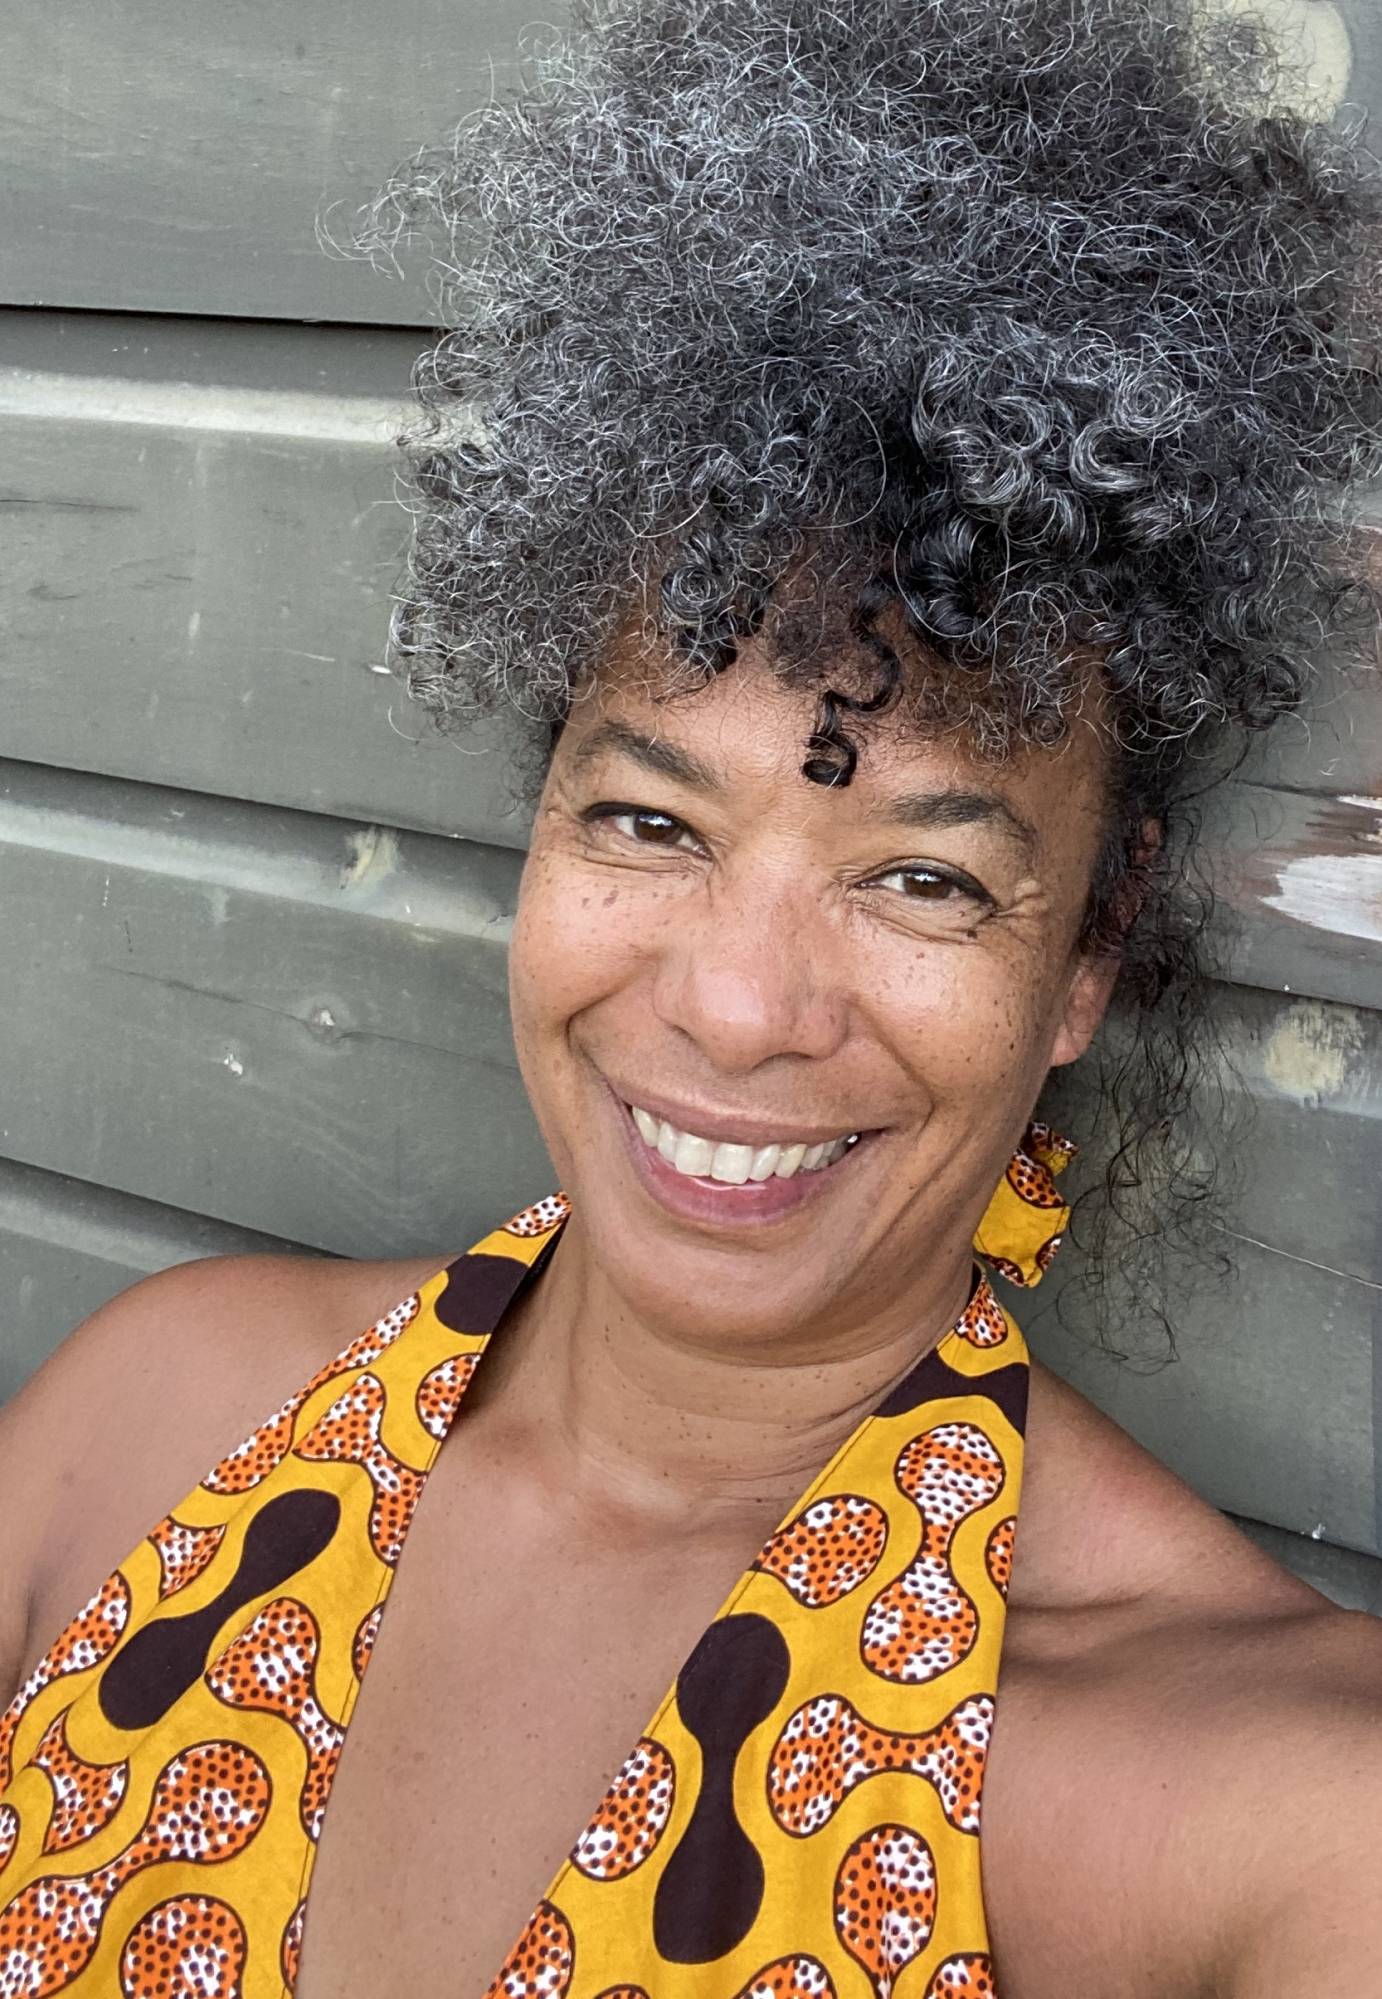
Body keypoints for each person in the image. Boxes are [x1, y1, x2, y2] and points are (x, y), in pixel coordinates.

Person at [2, 0, 1380, 1993]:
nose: (736, 1011)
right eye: (651, 821)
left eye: (921, 875)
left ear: (1086, 954)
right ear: (541, 819)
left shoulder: (1261, 1814)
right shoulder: (148, 1425)